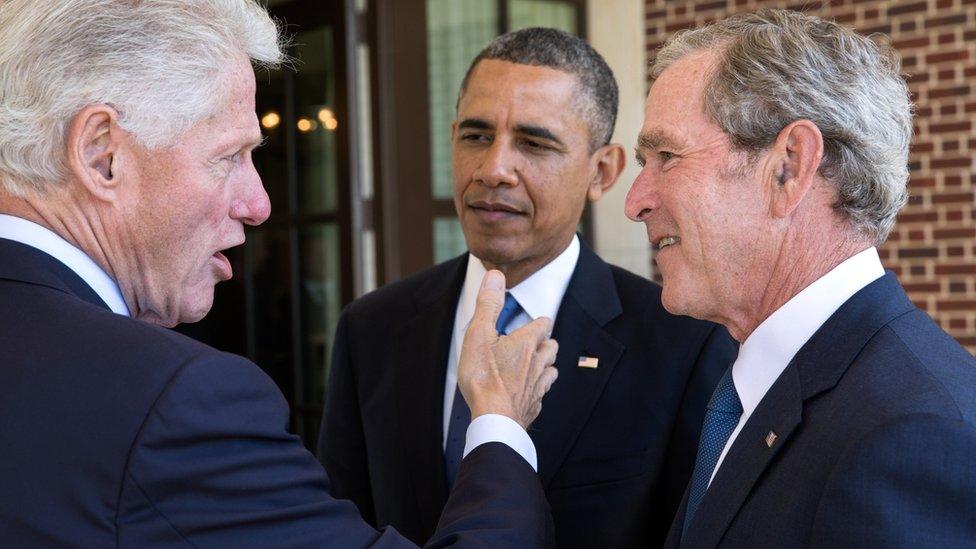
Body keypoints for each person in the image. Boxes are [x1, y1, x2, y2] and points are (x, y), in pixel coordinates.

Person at [0, 1, 560, 546]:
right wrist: (499, 425)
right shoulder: (175, 401)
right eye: (228, 157)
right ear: (101, 155)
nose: (260, 204)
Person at [318, 27, 737, 548]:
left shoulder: (683, 341)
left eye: (534, 144)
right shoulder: (372, 328)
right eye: (475, 136)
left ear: (602, 172)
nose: (494, 169)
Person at [625, 8, 976, 547]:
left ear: (789, 167)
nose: (636, 202)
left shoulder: (911, 432)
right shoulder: (762, 384)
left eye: (666, 157)